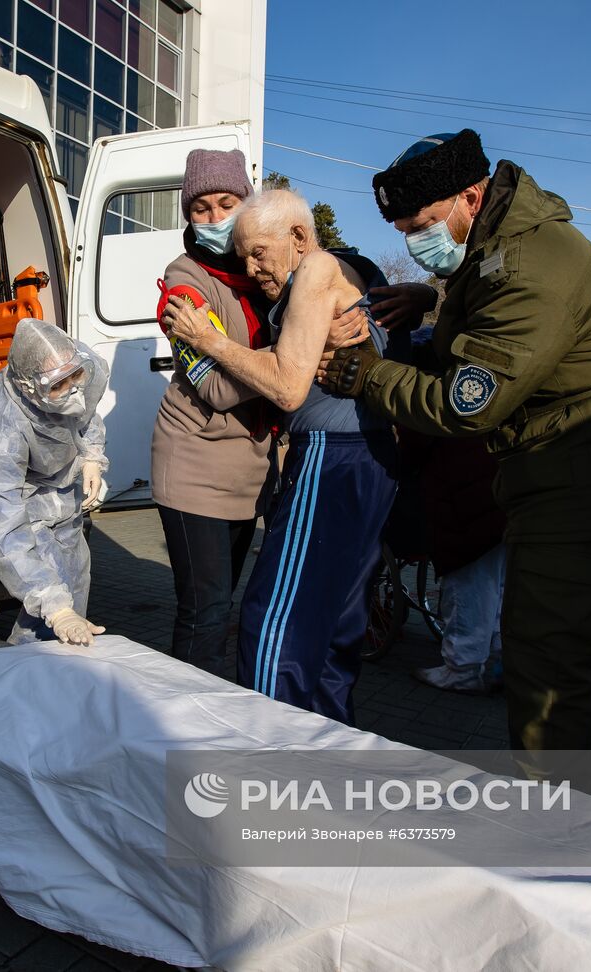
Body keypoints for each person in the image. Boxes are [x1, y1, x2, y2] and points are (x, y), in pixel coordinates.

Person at [321, 130, 591, 776]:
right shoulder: (488, 249)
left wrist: (362, 375)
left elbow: (466, 403)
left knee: (546, 671)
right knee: (539, 648)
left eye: (425, 224)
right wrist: (432, 304)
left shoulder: (532, 266)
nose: (415, 242)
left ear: (471, 194)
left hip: (590, 486)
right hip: (563, 476)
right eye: (405, 230)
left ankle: (556, 829)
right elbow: (472, 330)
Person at [163, 188, 400, 725]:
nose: (249, 266)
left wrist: (209, 339)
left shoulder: (315, 268)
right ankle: (328, 742)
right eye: (243, 256)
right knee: (338, 621)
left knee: (272, 621)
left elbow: (289, 390)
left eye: (258, 253)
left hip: (330, 458)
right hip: (367, 459)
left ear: (298, 236)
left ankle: (269, 751)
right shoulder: (345, 270)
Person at [150, 149, 275, 679]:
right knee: (206, 614)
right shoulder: (183, 288)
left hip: (247, 473)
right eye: (200, 207)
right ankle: (180, 734)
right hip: (194, 470)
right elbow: (220, 389)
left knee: (223, 607)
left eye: (227, 202)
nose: (215, 217)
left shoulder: (261, 274)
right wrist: (291, 358)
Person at [0, 319, 110, 646]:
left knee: (74, 581)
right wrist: (54, 607)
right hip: (26, 504)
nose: (73, 388)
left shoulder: (76, 365)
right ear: (30, 387)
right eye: (59, 384)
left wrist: (91, 456)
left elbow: (85, 414)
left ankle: (47, 673)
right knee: (52, 602)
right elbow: (2, 523)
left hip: (64, 495)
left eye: (76, 376)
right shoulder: (1, 430)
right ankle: (5, 677)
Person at [397, 426, 506, 695]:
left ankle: (462, 668)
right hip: (494, 479)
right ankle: (501, 654)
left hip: (463, 489)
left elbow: (418, 434)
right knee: (496, 581)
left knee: (468, 583)